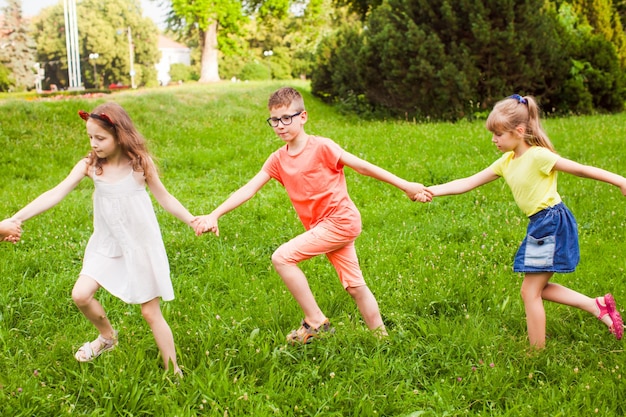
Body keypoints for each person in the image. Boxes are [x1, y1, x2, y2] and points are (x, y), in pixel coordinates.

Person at [194, 87, 432, 344]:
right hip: (323, 226)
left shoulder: (322, 147)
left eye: (287, 118)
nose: (280, 125)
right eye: (274, 120)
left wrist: (405, 185)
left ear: (303, 117)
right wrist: (215, 213)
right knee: (354, 285)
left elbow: (363, 166)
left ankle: (316, 321)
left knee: (282, 258)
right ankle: (383, 339)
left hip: (340, 221)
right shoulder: (277, 159)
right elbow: (249, 189)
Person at [424, 94, 625, 349]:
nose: (493, 139)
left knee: (530, 292)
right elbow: (467, 182)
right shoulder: (506, 161)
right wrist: (430, 190)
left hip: (551, 222)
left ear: (519, 131)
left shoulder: (539, 156)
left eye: (498, 134)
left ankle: (536, 353)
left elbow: (581, 169)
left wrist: (620, 180)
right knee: (536, 289)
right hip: (541, 224)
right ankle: (596, 306)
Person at [8, 103, 195, 374]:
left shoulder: (140, 164)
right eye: (90, 137)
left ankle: (174, 370)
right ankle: (107, 338)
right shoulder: (90, 166)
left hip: (139, 244)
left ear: (120, 135)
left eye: (100, 138)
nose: (94, 144)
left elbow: (165, 198)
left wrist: (192, 219)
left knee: (149, 312)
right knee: (81, 295)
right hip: (106, 244)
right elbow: (55, 193)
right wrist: (16, 219)